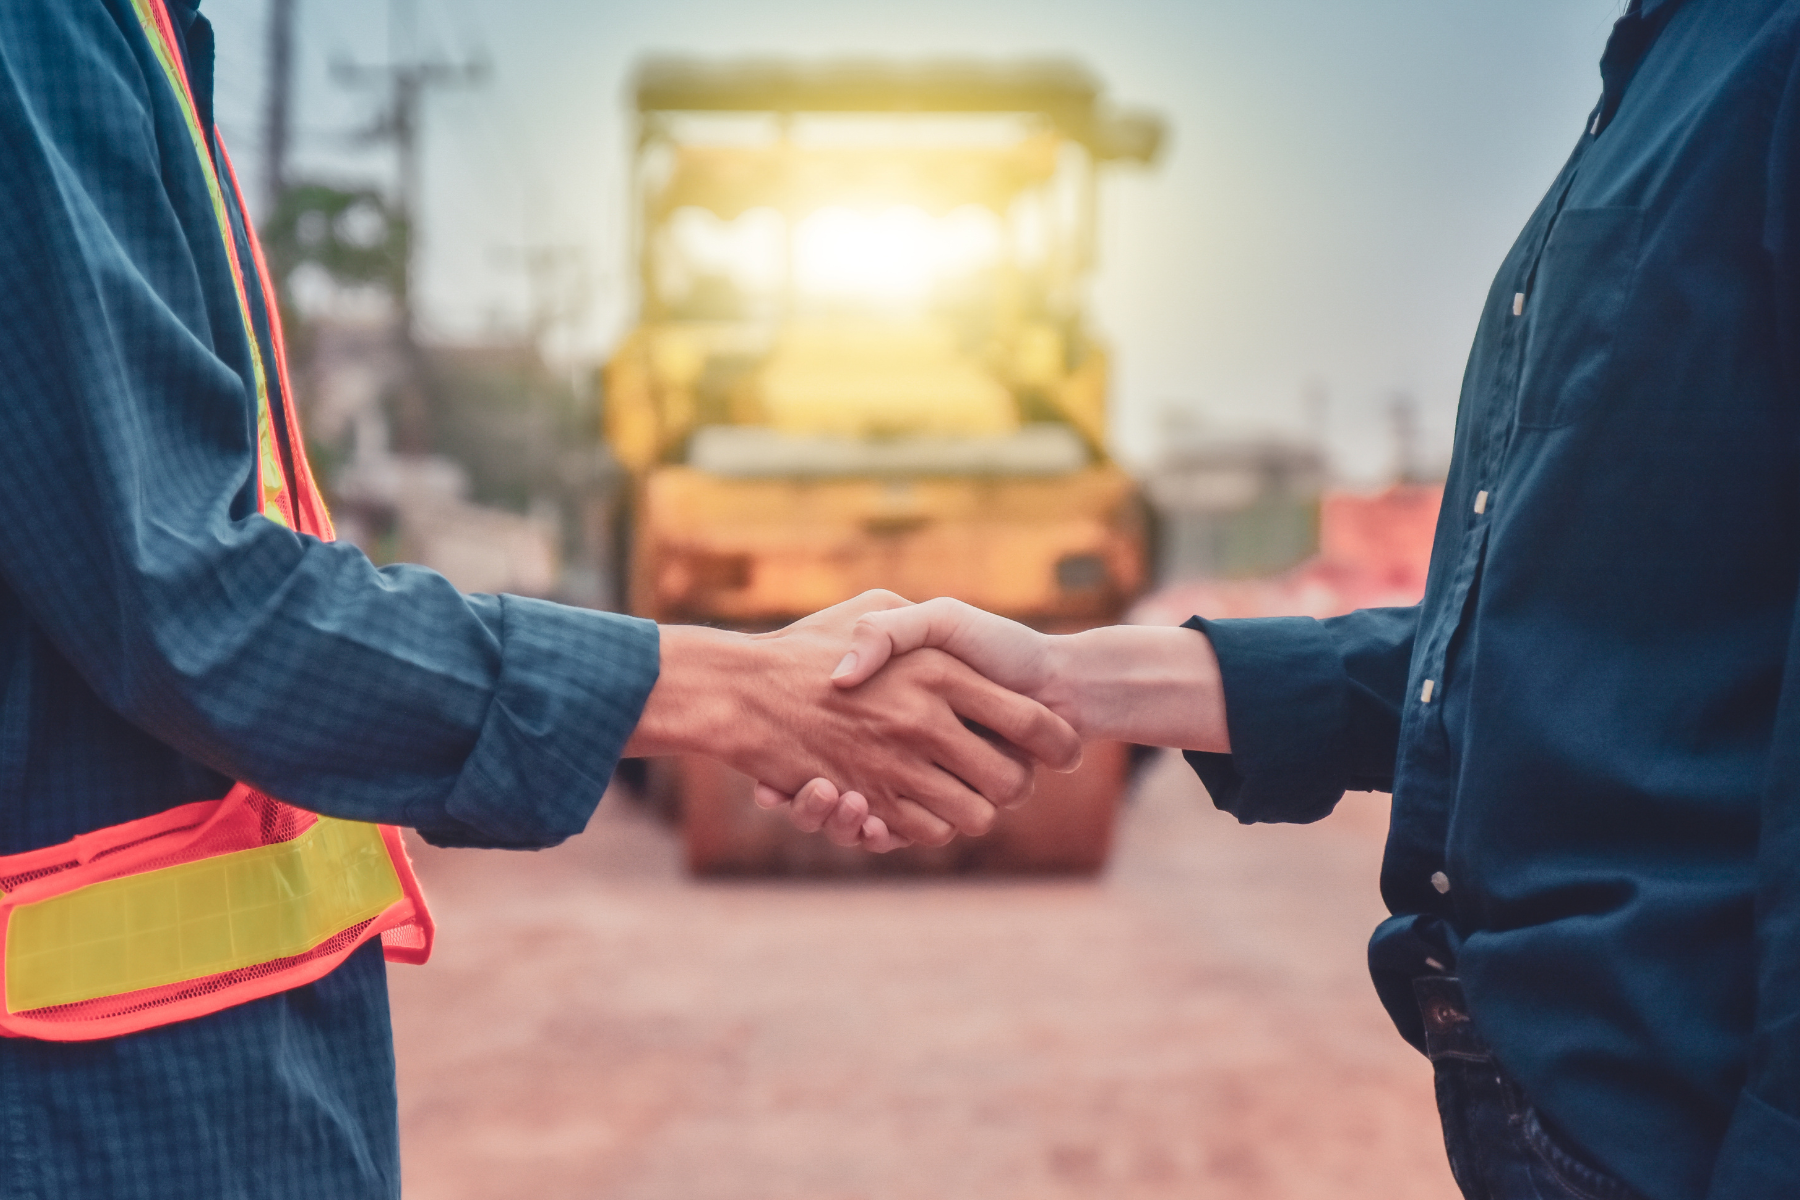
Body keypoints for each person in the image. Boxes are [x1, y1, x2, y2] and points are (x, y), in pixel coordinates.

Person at [0, 1, 1079, 1196]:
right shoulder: (40, 34)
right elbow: (191, 603)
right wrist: (735, 690)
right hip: (84, 1098)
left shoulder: (128, 28)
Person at [772, 2, 1800, 1197]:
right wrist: (1064, 677)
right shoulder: (1675, 65)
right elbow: (1560, 655)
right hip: (1576, 1111)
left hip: (1683, 1127)